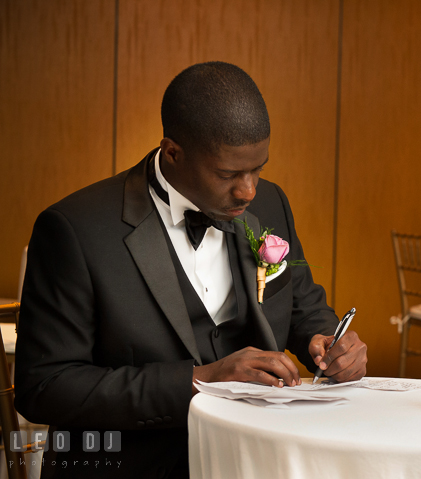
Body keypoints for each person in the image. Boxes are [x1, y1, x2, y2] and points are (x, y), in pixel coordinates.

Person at [14, 61, 367, 478]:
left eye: (258, 169)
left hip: (257, 462)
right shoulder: (75, 229)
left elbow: (301, 305)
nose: (249, 190)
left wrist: (326, 341)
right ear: (173, 152)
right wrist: (199, 380)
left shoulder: (271, 203)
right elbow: (45, 387)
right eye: (228, 174)